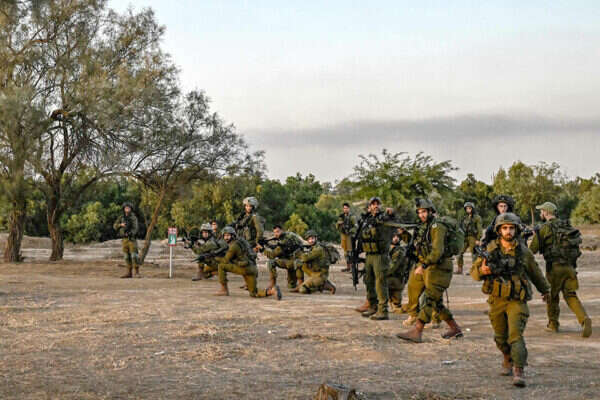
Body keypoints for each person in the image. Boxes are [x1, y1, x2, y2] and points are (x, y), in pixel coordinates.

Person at [471, 212, 550, 387]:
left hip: (516, 300)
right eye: (505, 228)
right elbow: (474, 273)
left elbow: (535, 272)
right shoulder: (490, 249)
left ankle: (518, 370)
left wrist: (545, 290)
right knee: (500, 337)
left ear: (516, 230)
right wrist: (482, 271)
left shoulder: (523, 251)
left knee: (515, 335)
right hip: (497, 299)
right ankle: (507, 357)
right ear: (499, 230)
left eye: (511, 228)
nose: (508, 231)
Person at [397, 198, 462, 343]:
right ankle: (455, 328)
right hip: (428, 265)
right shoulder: (423, 227)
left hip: (440, 267)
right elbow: (417, 244)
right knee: (435, 302)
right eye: (419, 212)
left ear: (431, 211)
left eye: (424, 212)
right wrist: (403, 234)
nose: (422, 215)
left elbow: (437, 251)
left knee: (428, 299)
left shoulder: (437, 227)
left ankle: (417, 330)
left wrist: (424, 265)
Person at [529, 202, 592, 337]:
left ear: (546, 212)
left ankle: (553, 324)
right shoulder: (567, 226)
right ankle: (584, 319)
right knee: (570, 295)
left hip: (554, 268)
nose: (540, 214)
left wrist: (534, 237)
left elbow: (531, 251)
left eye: (541, 211)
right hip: (570, 267)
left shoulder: (544, 228)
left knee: (551, 296)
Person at [356, 197, 397, 320]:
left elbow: (395, 223)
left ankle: (383, 310)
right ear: (369, 207)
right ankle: (372, 306)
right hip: (369, 255)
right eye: (373, 204)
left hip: (380, 256)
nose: (375, 206)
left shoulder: (385, 218)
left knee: (380, 283)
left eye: (377, 204)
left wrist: (392, 213)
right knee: (369, 281)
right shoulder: (367, 219)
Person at [214, 227, 281, 300]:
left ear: (232, 235)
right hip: (252, 268)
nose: (226, 238)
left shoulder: (233, 246)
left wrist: (215, 258)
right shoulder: (242, 242)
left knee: (221, 266)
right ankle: (272, 291)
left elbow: (225, 260)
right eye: (224, 236)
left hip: (245, 268)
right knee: (253, 293)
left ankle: (224, 290)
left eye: (228, 235)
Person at [262, 225, 304, 290]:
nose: (276, 234)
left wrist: (262, 249)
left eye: (277, 232)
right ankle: (273, 284)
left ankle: (300, 285)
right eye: (274, 232)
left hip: (294, 262)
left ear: (282, 230)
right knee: (291, 285)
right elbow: (277, 248)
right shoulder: (287, 235)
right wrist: (267, 244)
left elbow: (272, 255)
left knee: (271, 262)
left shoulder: (286, 239)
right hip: (290, 261)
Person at [295, 230, 336, 294]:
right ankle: (301, 284)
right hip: (314, 272)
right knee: (298, 264)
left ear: (316, 238)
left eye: (312, 238)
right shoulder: (313, 247)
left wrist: (299, 252)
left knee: (302, 290)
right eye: (309, 239)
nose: (311, 240)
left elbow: (305, 258)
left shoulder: (318, 249)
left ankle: (325, 286)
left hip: (320, 275)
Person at [113, 202, 140, 278]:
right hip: (124, 239)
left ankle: (137, 272)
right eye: (126, 208)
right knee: (126, 256)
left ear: (131, 209)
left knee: (134, 255)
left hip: (131, 239)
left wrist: (131, 233)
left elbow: (136, 228)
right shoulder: (121, 217)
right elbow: (114, 226)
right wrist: (120, 225)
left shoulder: (133, 218)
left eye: (128, 208)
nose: (127, 209)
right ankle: (129, 272)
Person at [388, 230, 411, 312]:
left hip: (396, 278)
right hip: (393, 277)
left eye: (397, 237)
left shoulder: (400, 250)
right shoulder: (390, 248)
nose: (396, 239)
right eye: (394, 236)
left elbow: (393, 267)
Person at [456, 202, 483, 274]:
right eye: (467, 208)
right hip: (465, 237)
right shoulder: (464, 218)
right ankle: (459, 269)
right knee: (459, 252)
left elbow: (479, 229)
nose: (468, 210)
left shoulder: (477, 218)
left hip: (473, 237)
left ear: (472, 209)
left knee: (474, 254)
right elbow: (460, 227)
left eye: (470, 208)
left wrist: (478, 239)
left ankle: (474, 270)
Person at [335, 202, 357, 272]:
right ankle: (348, 267)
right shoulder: (341, 216)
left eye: (346, 208)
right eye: (344, 208)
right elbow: (337, 226)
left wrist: (350, 231)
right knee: (345, 253)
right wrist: (339, 224)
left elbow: (356, 226)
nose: (345, 209)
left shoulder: (352, 217)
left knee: (350, 252)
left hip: (349, 236)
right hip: (343, 236)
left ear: (349, 209)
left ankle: (352, 268)